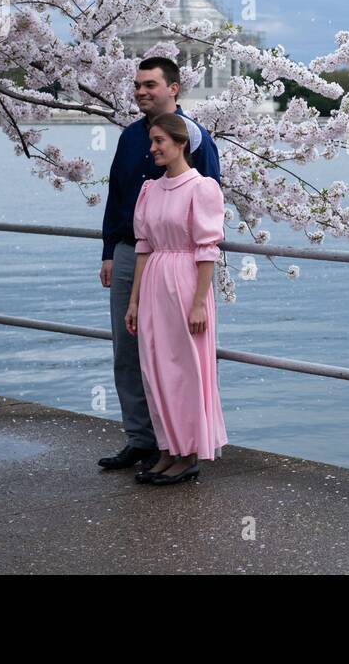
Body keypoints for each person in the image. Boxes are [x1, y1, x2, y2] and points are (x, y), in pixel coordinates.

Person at [97, 56, 222, 472]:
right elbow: (117, 196)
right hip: (134, 252)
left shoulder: (197, 139)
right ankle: (142, 438)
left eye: (150, 84)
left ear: (174, 88)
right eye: (136, 85)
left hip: (178, 262)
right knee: (130, 351)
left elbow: (207, 206)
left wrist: (198, 287)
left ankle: (179, 443)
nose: (140, 91)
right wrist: (109, 250)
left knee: (175, 355)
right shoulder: (130, 137)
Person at [125, 113, 228, 485]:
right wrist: (134, 301)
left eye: (159, 142)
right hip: (154, 280)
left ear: (181, 143)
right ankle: (167, 448)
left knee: (185, 369)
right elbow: (143, 247)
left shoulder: (201, 188)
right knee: (155, 367)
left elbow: (207, 249)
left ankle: (188, 453)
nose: (152, 149)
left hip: (186, 283)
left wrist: (200, 301)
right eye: (151, 141)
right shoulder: (150, 189)